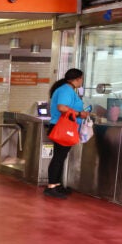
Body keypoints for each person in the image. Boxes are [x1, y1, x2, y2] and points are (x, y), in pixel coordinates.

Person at [45, 68, 88, 199]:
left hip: (64, 127)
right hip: (61, 127)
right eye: (81, 78)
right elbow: (62, 107)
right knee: (58, 157)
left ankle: (56, 185)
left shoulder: (67, 89)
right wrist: (80, 114)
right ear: (76, 79)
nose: (82, 81)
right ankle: (51, 186)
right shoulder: (66, 90)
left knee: (61, 157)